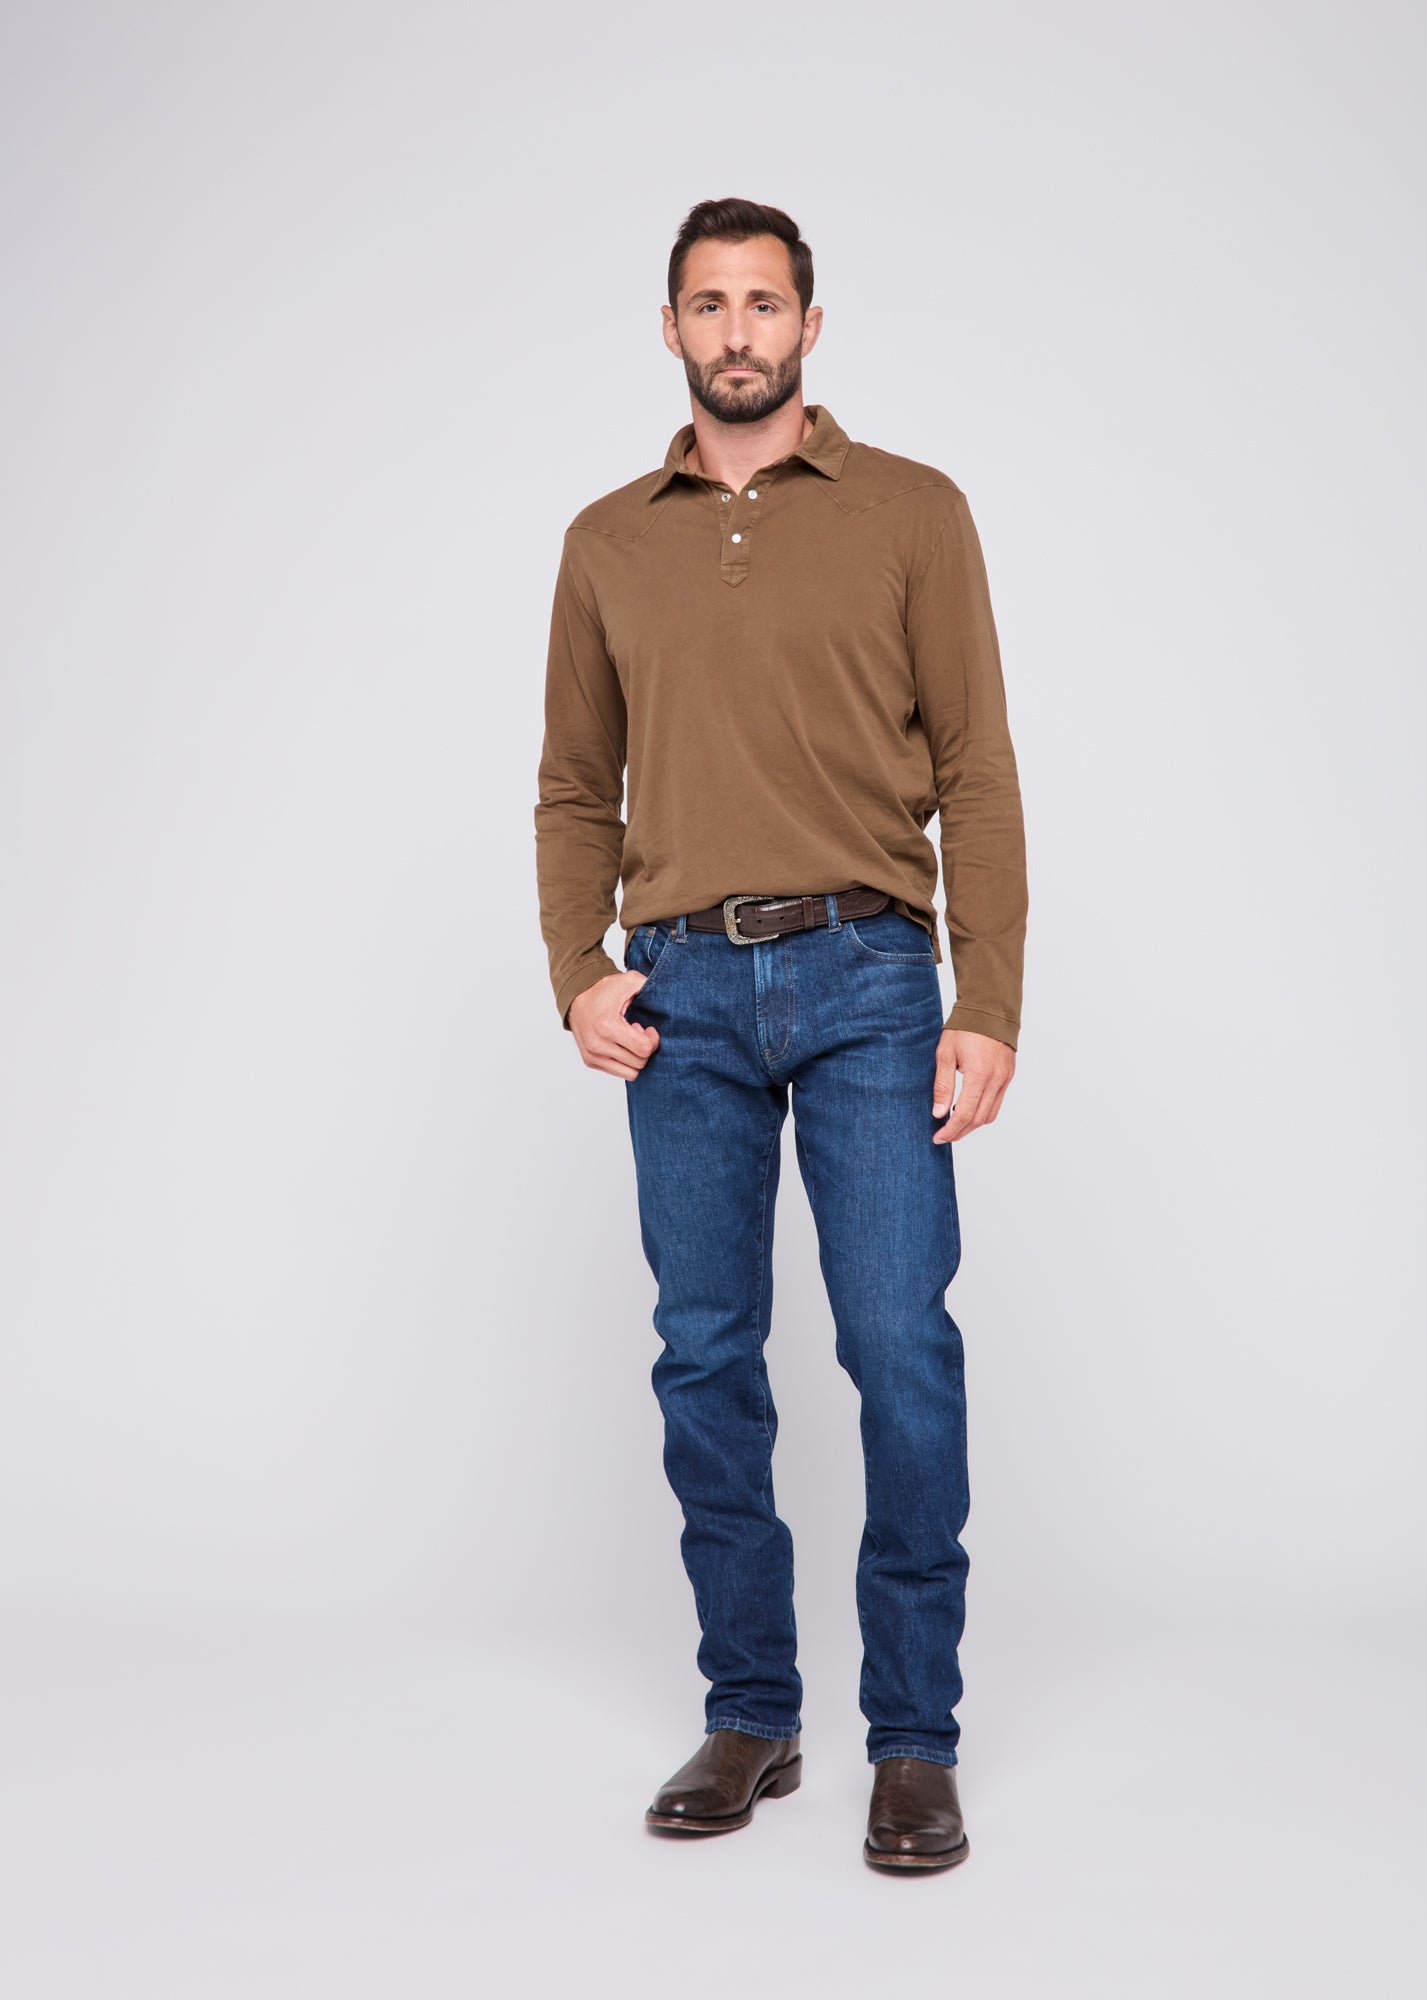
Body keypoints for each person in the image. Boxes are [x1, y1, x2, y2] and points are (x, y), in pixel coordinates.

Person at [533, 197, 1027, 1873]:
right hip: (679, 992)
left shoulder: (912, 512)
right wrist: (576, 966)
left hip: (871, 974)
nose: (736, 331)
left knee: (899, 1347)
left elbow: (977, 770)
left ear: (810, 325)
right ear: (671, 329)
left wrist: (988, 997)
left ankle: (914, 1738)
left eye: (763, 302)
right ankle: (752, 1710)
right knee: (704, 1358)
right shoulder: (607, 542)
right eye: (707, 304)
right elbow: (572, 785)